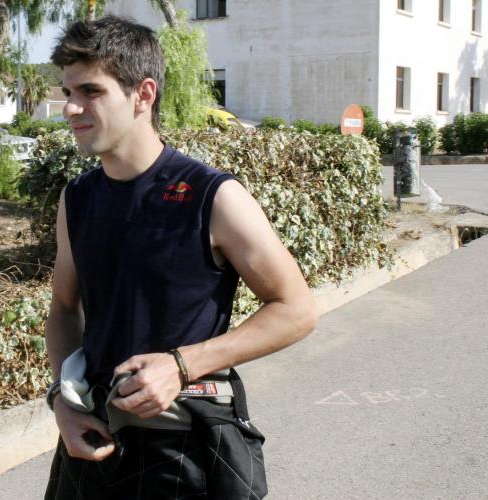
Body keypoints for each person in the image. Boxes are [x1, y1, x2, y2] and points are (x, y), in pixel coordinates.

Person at [44, 16, 318, 499]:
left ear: (143, 94)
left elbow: (296, 310)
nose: (70, 107)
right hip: (93, 443)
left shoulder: (214, 196)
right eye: (68, 91)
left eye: (91, 91)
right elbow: (65, 309)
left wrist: (181, 365)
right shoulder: (78, 198)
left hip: (185, 450)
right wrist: (61, 402)